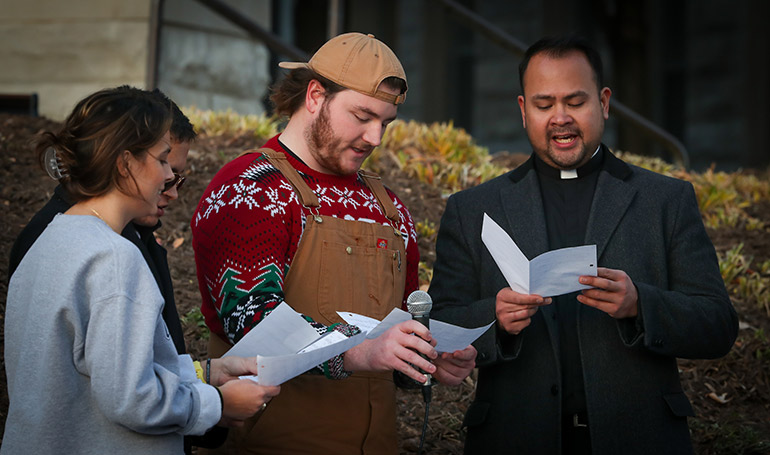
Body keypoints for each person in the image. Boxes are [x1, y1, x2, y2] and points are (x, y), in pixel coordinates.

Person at [428, 36, 739, 455]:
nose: (561, 118)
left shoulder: (665, 200)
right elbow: (439, 324)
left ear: (604, 102)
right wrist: (494, 317)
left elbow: (718, 326)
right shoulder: (473, 208)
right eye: (544, 105)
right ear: (523, 111)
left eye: (575, 102)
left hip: (642, 439)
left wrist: (639, 305)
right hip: (512, 439)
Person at [191, 32, 476, 454]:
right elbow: (253, 323)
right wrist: (362, 351)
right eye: (362, 116)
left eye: (385, 122)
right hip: (274, 443)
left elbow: (394, 337)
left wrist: (425, 359)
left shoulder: (390, 207)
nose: (375, 137)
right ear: (314, 96)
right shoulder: (250, 188)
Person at [2, 86, 280, 455]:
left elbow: (96, 372)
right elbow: (133, 399)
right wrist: (218, 404)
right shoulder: (114, 257)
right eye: (163, 160)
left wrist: (205, 374)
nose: (169, 177)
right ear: (126, 162)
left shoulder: (53, 237)